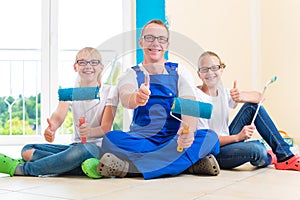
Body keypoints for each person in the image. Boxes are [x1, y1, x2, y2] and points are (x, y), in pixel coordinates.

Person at [82, 20, 220, 180]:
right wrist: (138, 97)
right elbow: (127, 98)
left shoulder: (180, 71)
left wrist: (189, 131)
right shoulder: (130, 73)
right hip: (141, 139)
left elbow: (189, 104)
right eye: (149, 38)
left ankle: (130, 168)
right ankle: (186, 164)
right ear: (141, 42)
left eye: (161, 39)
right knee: (110, 140)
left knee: (210, 138)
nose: (155, 43)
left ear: (167, 45)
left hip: (174, 139)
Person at [0, 47, 118, 177]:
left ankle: (23, 169)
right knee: (27, 149)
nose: (88, 66)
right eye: (82, 62)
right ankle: (87, 166)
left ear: (101, 67)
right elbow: (59, 115)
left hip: (97, 148)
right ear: (75, 67)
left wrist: (90, 132)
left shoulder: (110, 91)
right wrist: (52, 127)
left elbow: (106, 128)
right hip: (74, 147)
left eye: (93, 62)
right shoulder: (69, 93)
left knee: (82, 150)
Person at [195, 51, 300, 171]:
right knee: (257, 150)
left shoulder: (223, 92)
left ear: (221, 70)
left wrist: (241, 97)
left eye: (214, 68)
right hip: (214, 151)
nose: (210, 73)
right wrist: (238, 137)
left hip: (227, 138)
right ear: (199, 74)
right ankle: (270, 157)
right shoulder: (196, 98)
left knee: (252, 106)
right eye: (205, 69)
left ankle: (285, 155)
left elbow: (260, 98)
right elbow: (206, 141)